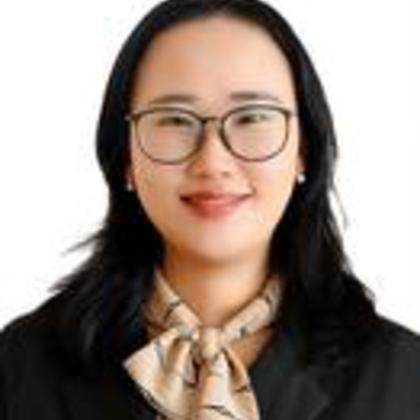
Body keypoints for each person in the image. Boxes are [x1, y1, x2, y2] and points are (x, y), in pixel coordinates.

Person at [1, 0, 419, 419]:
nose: (213, 162)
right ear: (126, 155)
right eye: (175, 119)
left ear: (303, 151)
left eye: (252, 117)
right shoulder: (19, 367)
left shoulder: (406, 376)